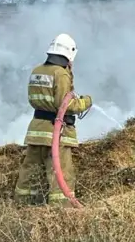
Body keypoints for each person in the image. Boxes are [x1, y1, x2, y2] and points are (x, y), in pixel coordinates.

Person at [14, 33, 93, 207]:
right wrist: (86, 102)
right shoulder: (61, 74)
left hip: (37, 131)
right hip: (56, 134)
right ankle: (61, 213)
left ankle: (23, 206)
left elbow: (38, 99)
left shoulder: (37, 71)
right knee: (60, 174)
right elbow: (65, 105)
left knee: (31, 171)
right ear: (69, 55)